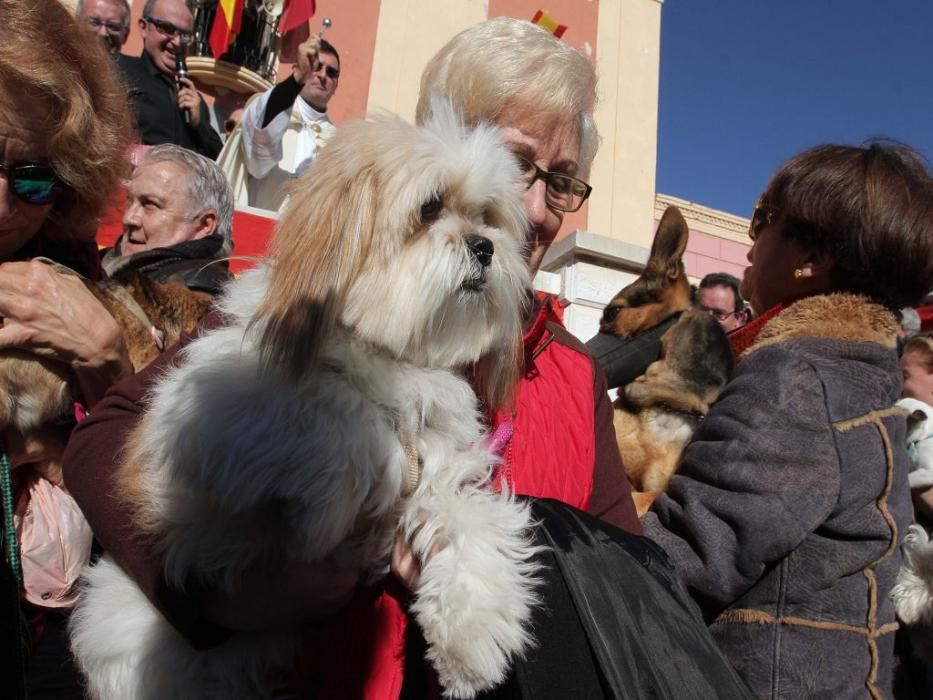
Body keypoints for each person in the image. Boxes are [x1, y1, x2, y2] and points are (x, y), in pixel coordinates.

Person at [62, 17, 639, 699]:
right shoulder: (295, 307)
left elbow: (623, 582)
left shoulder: (576, 377)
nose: (538, 211)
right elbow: (103, 442)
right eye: (516, 164)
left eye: (564, 182)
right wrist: (220, 603)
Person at [641, 143, 933, 697]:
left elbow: (683, 557)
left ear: (813, 259)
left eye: (763, 220)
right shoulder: (859, 369)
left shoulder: (796, 378)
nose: (751, 244)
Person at [0, 1, 135, 697]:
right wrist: (32, 449)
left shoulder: (80, 279)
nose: (1, 203)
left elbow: (146, 504)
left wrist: (109, 364)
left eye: (28, 177)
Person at [225, 34, 340, 211]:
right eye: (316, 66)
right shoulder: (270, 108)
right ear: (298, 68)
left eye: (331, 72)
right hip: (262, 225)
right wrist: (297, 80)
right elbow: (258, 163)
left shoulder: (339, 142)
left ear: (336, 85)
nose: (323, 75)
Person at [102, 144, 234, 294]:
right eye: (130, 201)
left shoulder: (193, 292)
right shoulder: (97, 259)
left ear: (204, 225)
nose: (128, 218)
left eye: (150, 205)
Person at [116, 0, 223, 159]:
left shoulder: (195, 99)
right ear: (144, 28)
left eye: (185, 35)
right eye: (167, 29)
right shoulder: (120, 69)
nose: (177, 42)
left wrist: (199, 124)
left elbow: (218, 159)